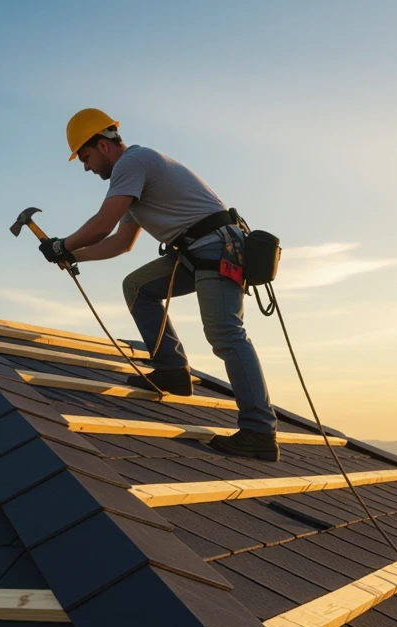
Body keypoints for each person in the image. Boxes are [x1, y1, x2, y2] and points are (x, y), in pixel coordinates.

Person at [37, 108, 280, 460]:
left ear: (103, 146)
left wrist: (62, 245)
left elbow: (103, 224)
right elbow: (121, 242)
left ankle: (259, 431)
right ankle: (172, 371)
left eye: (86, 157)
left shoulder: (132, 163)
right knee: (137, 287)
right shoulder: (132, 179)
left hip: (217, 248)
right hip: (195, 252)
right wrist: (74, 255)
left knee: (226, 333)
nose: (86, 168)